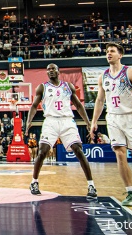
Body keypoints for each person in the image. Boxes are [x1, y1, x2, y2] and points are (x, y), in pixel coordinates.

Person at [90, 43, 132, 206]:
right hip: (113, 118)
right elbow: (99, 100)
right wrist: (93, 121)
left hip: (131, 117)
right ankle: (131, 192)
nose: (108, 53)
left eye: (112, 51)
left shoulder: (129, 72)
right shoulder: (103, 76)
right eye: (107, 51)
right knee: (120, 153)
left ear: (120, 55)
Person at [25, 64, 97, 199]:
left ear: (58, 71)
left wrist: (88, 122)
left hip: (67, 120)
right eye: (48, 69)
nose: (50, 71)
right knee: (42, 151)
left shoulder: (68, 86)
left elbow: (78, 105)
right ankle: (34, 182)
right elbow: (34, 106)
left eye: (53, 69)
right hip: (50, 121)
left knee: (78, 150)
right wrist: (29, 121)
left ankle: (91, 185)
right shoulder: (42, 87)